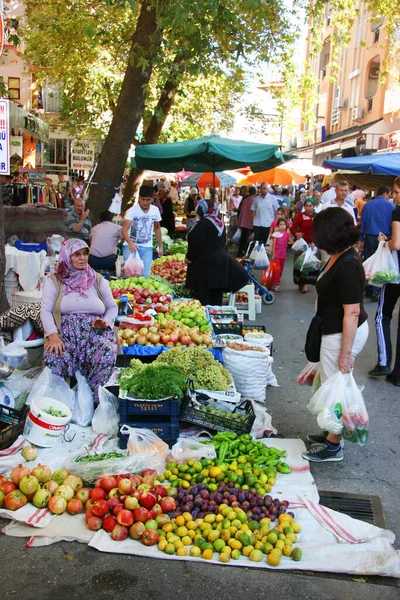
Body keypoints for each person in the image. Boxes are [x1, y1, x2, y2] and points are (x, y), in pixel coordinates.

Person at [302, 208, 369, 463]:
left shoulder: (349, 263)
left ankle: (334, 445)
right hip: (332, 330)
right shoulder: (339, 256)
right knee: (330, 385)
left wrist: (345, 354)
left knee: (336, 387)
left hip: (342, 333)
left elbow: (352, 312)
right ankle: (331, 432)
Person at [41, 239, 117, 401]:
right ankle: (57, 402)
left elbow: (112, 307)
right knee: (53, 356)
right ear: (67, 256)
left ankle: (93, 402)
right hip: (65, 336)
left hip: (95, 335)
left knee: (107, 351)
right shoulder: (55, 280)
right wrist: (53, 335)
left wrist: (106, 322)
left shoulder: (97, 279)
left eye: (85, 253)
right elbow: (46, 311)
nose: (82, 258)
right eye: (76, 254)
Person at [368, 178, 400, 384]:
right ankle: (397, 375)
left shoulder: (398, 212)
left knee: (382, 316)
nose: (395, 196)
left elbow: (396, 244)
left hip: (396, 273)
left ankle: (383, 362)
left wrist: (384, 242)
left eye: (397, 192)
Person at [186, 200, 248, 306]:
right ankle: (216, 317)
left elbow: (195, 242)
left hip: (204, 264)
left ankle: (206, 318)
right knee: (216, 294)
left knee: (203, 297)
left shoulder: (203, 224)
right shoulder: (219, 222)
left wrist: (189, 256)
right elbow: (223, 241)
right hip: (220, 262)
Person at [360, 185, 395, 301]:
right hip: (385, 238)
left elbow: (363, 223)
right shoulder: (391, 206)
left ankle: (369, 288)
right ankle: (377, 289)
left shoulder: (368, 205)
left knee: (369, 262)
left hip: (370, 237)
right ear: (385, 194)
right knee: (382, 262)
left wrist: (360, 239)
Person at [122, 184, 163, 277]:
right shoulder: (132, 211)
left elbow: (157, 228)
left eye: (148, 200)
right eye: (142, 199)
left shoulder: (155, 210)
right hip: (130, 248)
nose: (145, 202)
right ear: (139, 198)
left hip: (147, 247)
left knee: (145, 276)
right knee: (129, 277)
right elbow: (124, 230)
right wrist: (130, 243)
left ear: (152, 198)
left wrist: (160, 246)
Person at [290, 199, 315, 293]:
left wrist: (314, 241)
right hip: (302, 244)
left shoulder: (315, 216)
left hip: (311, 243)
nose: (308, 208)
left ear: (313, 206)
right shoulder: (300, 216)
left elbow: (317, 229)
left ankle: (306, 282)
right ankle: (301, 283)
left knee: (308, 264)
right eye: (307, 206)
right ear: (304, 207)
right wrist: (296, 234)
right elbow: (292, 228)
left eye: (310, 206)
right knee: (299, 263)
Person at [271, 218, 291, 292]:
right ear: (278, 225)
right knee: (277, 269)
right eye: (280, 224)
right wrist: (273, 254)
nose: (282, 226)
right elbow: (274, 245)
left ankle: (276, 281)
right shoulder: (276, 234)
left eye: (284, 224)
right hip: (277, 255)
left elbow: (291, 242)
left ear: (286, 226)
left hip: (283, 255)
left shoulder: (287, 235)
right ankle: (276, 284)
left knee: (281, 270)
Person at [237, 185, 256, 257]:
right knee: (248, 238)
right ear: (254, 193)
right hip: (250, 223)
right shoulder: (253, 201)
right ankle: (245, 252)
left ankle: (240, 251)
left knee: (243, 237)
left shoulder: (245, 200)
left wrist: (239, 221)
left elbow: (241, 211)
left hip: (243, 222)